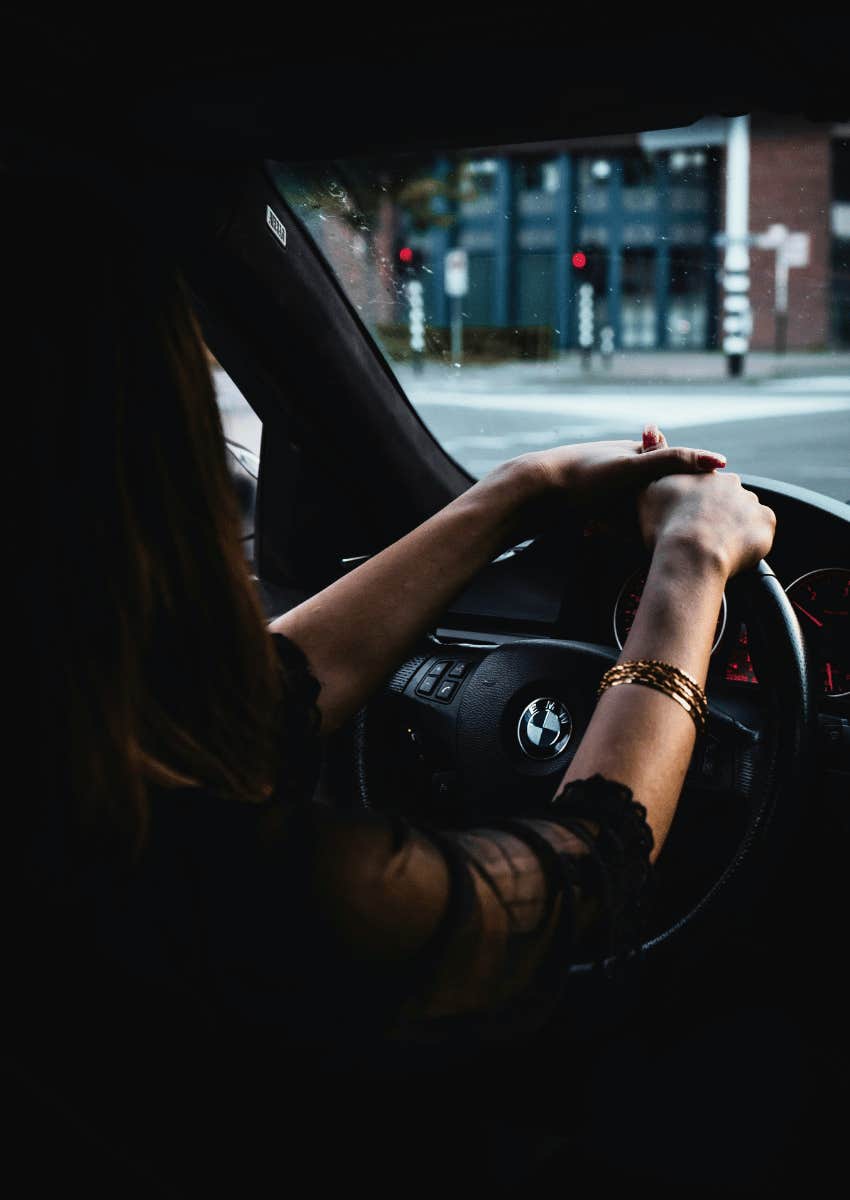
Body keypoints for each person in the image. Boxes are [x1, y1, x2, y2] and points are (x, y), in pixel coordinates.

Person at [11, 179, 776, 1194]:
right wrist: (690, 566)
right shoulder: (241, 888)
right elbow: (588, 875)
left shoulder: (64, 773)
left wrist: (522, 491)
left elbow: (256, 701)